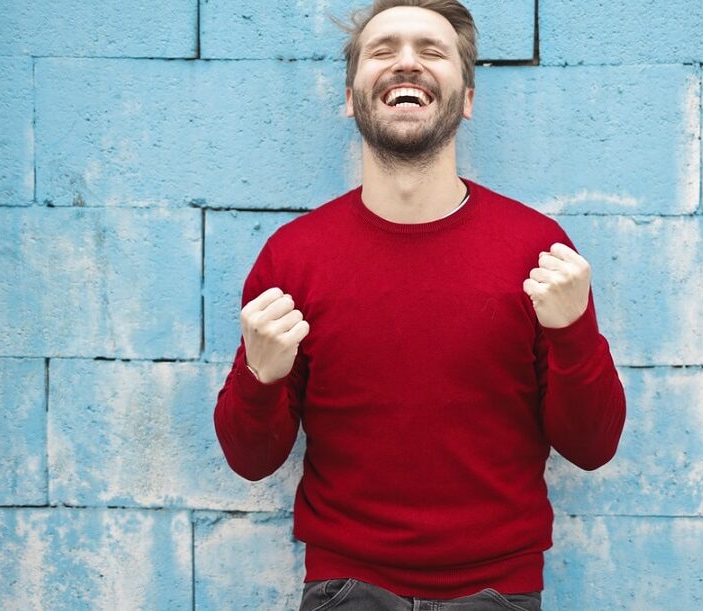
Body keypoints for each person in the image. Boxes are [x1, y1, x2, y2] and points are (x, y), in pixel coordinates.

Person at [213, 1, 627, 609]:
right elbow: (251, 461)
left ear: (466, 99)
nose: (406, 62)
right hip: (345, 589)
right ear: (352, 98)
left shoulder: (538, 252)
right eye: (383, 50)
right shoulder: (293, 258)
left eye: (432, 51)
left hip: (499, 592)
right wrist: (259, 376)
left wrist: (573, 333)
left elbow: (593, 448)